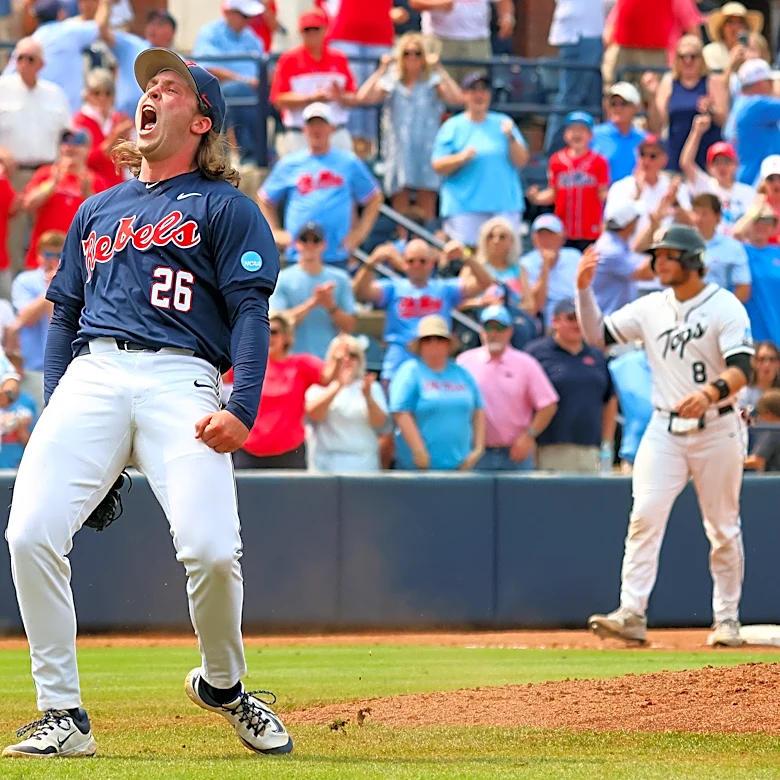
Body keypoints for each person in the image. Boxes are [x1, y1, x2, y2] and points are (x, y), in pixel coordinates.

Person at [2, 48, 294, 758]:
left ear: (201, 121)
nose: (153, 93)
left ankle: (224, 684)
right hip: (92, 378)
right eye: (150, 85)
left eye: (171, 87)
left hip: (183, 380)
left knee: (212, 552)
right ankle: (63, 715)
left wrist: (243, 405)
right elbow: (64, 313)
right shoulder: (97, 208)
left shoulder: (225, 205)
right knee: (29, 533)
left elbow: (251, 313)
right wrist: (56, 403)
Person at [577, 226, 753, 647]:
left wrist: (711, 391)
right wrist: (583, 291)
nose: (659, 263)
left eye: (669, 255)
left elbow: (742, 369)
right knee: (644, 517)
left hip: (718, 425)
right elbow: (597, 335)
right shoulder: (651, 306)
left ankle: (727, 620)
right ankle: (632, 613)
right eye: (657, 255)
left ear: (693, 260)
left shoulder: (724, 305)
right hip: (664, 427)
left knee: (722, 528)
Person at [258, 102, 383, 269]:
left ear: (331, 129)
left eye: (321, 124)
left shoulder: (348, 161)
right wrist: (274, 232)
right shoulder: (290, 163)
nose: (316, 130)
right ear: (304, 129)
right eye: (312, 125)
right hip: (299, 255)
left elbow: (374, 197)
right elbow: (265, 198)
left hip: (336, 254)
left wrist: (360, 233)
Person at [353, 238, 492, 384]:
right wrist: (371, 263)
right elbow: (360, 292)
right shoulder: (393, 288)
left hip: (435, 364)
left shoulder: (444, 289)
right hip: (399, 364)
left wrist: (465, 256)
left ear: (432, 263)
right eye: (411, 261)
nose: (417, 265)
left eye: (422, 261)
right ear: (404, 263)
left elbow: (484, 282)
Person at [356, 34, 462, 222]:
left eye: (417, 53)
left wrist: (439, 68)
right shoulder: (391, 81)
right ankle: (403, 241)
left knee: (427, 201)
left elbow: (457, 99)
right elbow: (363, 98)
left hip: (427, 148)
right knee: (400, 203)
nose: (412, 58)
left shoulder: (433, 81)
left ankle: (427, 245)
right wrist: (381, 69)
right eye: (407, 53)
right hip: (399, 149)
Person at [431, 71, 529, 247]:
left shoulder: (504, 123)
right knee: (468, 261)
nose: (479, 94)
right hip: (464, 209)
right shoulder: (452, 127)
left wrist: (511, 139)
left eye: (484, 89)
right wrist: (461, 158)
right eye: (473, 89)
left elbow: (522, 160)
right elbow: (438, 165)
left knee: (505, 260)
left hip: (504, 206)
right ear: (464, 95)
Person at [457, 305, 558, 471]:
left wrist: (528, 436)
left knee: (521, 498)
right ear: (481, 330)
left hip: (516, 454)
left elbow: (548, 404)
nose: (494, 333)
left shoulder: (526, 363)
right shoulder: (464, 362)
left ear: (510, 331)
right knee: (473, 498)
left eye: (500, 327)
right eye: (489, 327)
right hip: (476, 453)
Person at [0, 36, 70, 274]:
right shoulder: (2, 88)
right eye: (19, 57)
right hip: (13, 174)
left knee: (47, 235)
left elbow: (67, 134)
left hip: (47, 172)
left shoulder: (55, 94)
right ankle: (14, 291)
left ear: (41, 64)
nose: (23, 63)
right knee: (13, 235)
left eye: (30, 59)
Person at [525, 298, 617, 472]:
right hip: (549, 447)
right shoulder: (536, 353)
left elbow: (609, 399)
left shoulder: (596, 356)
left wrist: (607, 444)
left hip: (590, 449)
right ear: (555, 321)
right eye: (571, 318)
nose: (577, 324)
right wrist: (529, 437)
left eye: (581, 319)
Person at [234, 312, 331, 470]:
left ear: (286, 336)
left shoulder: (301, 364)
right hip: (249, 452)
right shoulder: (248, 363)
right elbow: (221, 375)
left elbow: (328, 377)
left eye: (274, 332)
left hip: (290, 454)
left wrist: (339, 357)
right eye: (264, 331)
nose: (269, 336)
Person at [390, 314, 485, 471]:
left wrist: (478, 449)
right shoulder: (410, 371)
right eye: (427, 340)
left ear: (448, 344)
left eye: (440, 339)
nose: (434, 344)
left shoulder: (461, 372)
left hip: (461, 467)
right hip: (420, 469)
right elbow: (400, 411)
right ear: (420, 345)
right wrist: (418, 450)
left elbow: (479, 409)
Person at [270, 8, 357, 156]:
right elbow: (278, 99)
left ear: (325, 30)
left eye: (316, 29)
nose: (312, 34)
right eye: (307, 30)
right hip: (300, 135)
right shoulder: (288, 59)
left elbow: (354, 98)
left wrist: (341, 96)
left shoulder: (339, 58)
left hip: (336, 133)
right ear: (300, 32)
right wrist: (311, 98)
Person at [21, 129, 110, 270]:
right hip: (43, 259)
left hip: (78, 261)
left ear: (88, 149)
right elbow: (27, 204)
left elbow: (105, 220)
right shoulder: (45, 173)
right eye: (66, 142)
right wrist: (50, 185)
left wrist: (88, 194)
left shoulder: (96, 181)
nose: (70, 147)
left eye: (77, 142)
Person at [192, 0, 266, 166]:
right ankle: (251, 153)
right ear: (228, 12)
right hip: (219, 90)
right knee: (240, 91)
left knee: (271, 95)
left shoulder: (251, 37)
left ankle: (261, 152)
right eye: (244, 16)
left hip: (252, 90)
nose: (249, 21)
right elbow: (207, 68)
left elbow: (264, 66)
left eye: (250, 17)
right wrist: (245, 81)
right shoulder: (209, 33)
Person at [269, 221, 357, 359]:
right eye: (305, 240)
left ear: (323, 245)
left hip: (328, 362)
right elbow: (277, 325)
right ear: (297, 244)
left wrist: (330, 306)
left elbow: (350, 326)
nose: (310, 245)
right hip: (292, 362)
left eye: (315, 240)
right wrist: (313, 303)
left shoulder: (341, 279)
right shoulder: (282, 279)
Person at [10, 0, 112, 113]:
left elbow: (7, 75)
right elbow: (100, 27)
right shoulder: (69, 32)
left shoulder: (29, 44)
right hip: (68, 116)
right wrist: (105, 3)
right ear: (61, 13)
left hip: (38, 114)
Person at [527, 111, 609, 253]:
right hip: (563, 230)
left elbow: (602, 193)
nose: (577, 134)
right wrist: (536, 197)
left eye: (582, 130)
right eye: (572, 130)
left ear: (590, 135)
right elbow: (553, 193)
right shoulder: (556, 160)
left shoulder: (599, 161)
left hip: (590, 229)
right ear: (565, 134)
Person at [305, 333, 388, 472]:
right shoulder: (318, 387)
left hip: (364, 465)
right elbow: (314, 415)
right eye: (340, 356)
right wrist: (337, 385)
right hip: (325, 466)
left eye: (353, 355)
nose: (347, 359)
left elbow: (379, 423)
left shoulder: (372, 387)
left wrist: (368, 398)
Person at [644, 34, 726, 172]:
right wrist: (653, 96)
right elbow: (657, 124)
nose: (688, 61)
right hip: (676, 156)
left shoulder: (713, 81)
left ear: (701, 59)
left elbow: (722, 119)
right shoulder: (668, 82)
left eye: (693, 56)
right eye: (683, 57)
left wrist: (710, 109)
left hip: (707, 159)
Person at [327, 0, 395, 155]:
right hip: (346, 33)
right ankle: (353, 152)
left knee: (378, 95)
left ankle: (372, 152)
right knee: (350, 95)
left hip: (380, 35)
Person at [10, 230, 64, 413]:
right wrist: (53, 289)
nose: (54, 260)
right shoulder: (25, 280)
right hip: (31, 367)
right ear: (39, 255)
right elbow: (26, 318)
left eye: (59, 255)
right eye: (49, 254)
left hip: (65, 368)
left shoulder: (74, 281)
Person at [544, 0, 604, 154]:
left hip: (590, 33)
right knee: (571, 97)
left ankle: (589, 152)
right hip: (578, 34)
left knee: (591, 98)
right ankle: (553, 152)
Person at [679, 113, 756, 233]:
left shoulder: (748, 192)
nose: (722, 167)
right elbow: (686, 163)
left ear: (735, 165)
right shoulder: (705, 186)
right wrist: (696, 131)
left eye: (726, 161)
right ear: (709, 168)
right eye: (716, 162)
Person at [410, 0, 515, 83]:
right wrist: (438, 4)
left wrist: (507, 18)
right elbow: (415, 3)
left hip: (477, 43)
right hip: (439, 41)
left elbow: (503, 2)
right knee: (440, 89)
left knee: (476, 89)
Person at [72, 68, 134, 188]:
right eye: (96, 93)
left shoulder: (119, 119)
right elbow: (86, 159)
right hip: (92, 187)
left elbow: (127, 160)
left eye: (108, 93)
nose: (102, 98)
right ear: (87, 94)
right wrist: (115, 136)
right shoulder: (80, 120)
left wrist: (126, 140)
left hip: (117, 185)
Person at [724, 59, 780, 186]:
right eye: (770, 81)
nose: (772, 85)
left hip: (748, 178)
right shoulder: (755, 105)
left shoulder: (740, 102)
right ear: (760, 83)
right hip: (757, 181)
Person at [462, 216, 535, 315]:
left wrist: (506, 306)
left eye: (502, 237)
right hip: (476, 322)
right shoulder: (472, 268)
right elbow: (458, 302)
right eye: (490, 236)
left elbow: (530, 306)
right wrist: (480, 303)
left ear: (512, 242)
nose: (496, 241)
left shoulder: (519, 270)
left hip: (510, 323)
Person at [521, 214, 582, 329]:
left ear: (562, 237)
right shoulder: (526, 264)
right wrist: (545, 267)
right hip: (549, 315)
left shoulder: (575, 256)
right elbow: (536, 304)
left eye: (550, 235)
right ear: (534, 238)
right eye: (541, 235)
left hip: (577, 307)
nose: (545, 240)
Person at [591, 201, 651, 315]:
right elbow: (645, 274)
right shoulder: (611, 251)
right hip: (607, 320)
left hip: (611, 318)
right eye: (636, 219)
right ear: (629, 224)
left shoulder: (615, 244)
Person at [690, 193, 750, 300]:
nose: (699, 219)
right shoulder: (680, 243)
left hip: (716, 307)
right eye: (696, 212)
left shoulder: (733, 247)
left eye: (704, 213)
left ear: (718, 216)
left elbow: (743, 287)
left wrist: (725, 310)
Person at [591, 82, 646, 183]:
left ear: (636, 107)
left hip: (634, 196)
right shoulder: (593, 135)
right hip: (604, 197)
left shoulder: (645, 139)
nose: (617, 108)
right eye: (613, 104)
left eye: (623, 104)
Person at [742, 207, 780, 346]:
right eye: (757, 220)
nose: (762, 225)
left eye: (768, 220)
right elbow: (736, 233)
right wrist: (752, 212)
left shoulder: (777, 252)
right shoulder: (740, 250)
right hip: (753, 332)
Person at [703, 1, 763, 72]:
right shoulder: (711, 51)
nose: (735, 27)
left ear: (747, 28)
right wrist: (732, 63)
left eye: (740, 22)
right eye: (730, 22)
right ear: (722, 28)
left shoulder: (754, 50)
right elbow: (715, 80)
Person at [736, 340, 780, 416]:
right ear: (754, 363)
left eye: (772, 359)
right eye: (762, 359)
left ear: (778, 363)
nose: (767, 364)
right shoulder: (743, 394)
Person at [744, 388, 780, 473]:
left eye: (760, 413)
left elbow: (757, 461)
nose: (759, 418)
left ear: (769, 414)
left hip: (774, 482)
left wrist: (734, 462)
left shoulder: (773, 431)